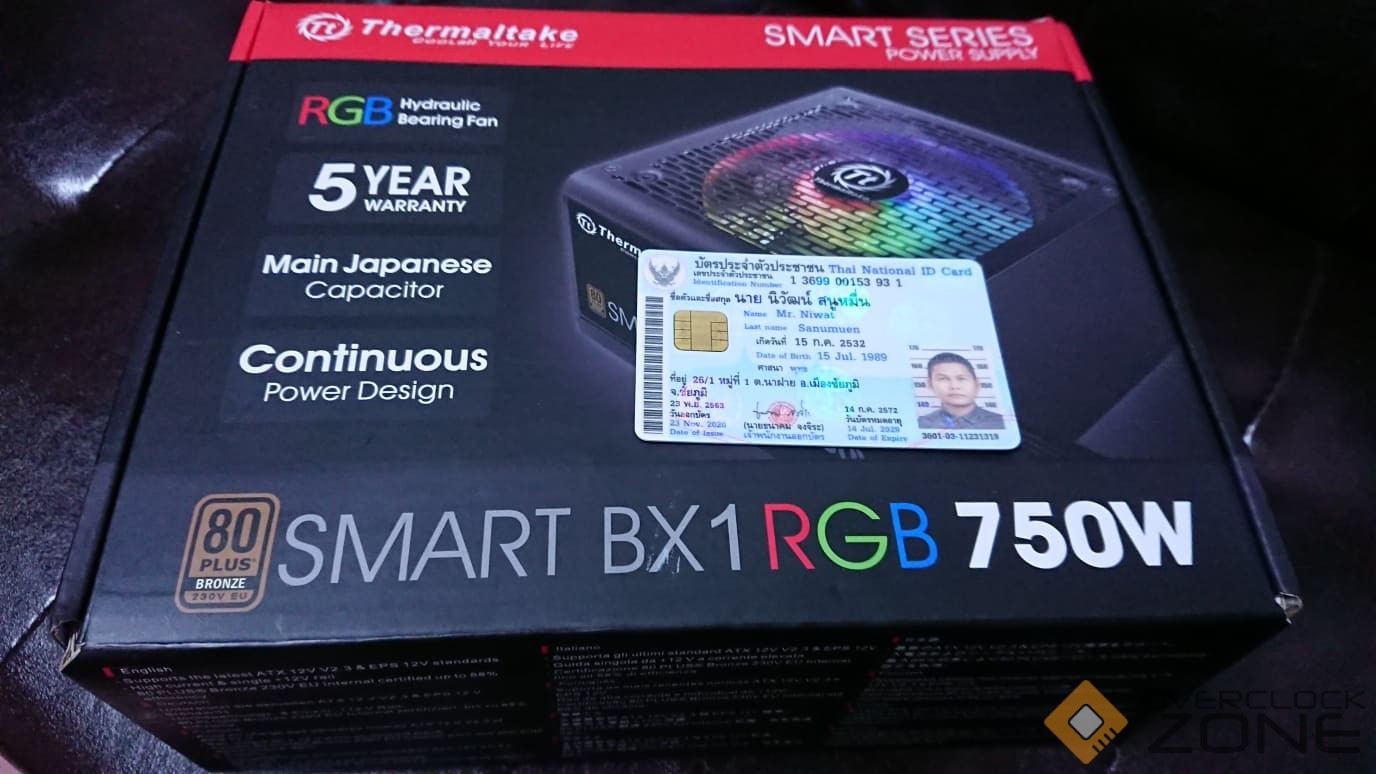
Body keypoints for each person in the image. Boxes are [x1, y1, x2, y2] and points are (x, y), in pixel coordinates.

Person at [918, 352, 1005, 429]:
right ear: (930, 385)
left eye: (962, 378)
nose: (954, 386)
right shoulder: (922, 424)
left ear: (977, 384)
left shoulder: (1001, 422)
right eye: (943, 379)